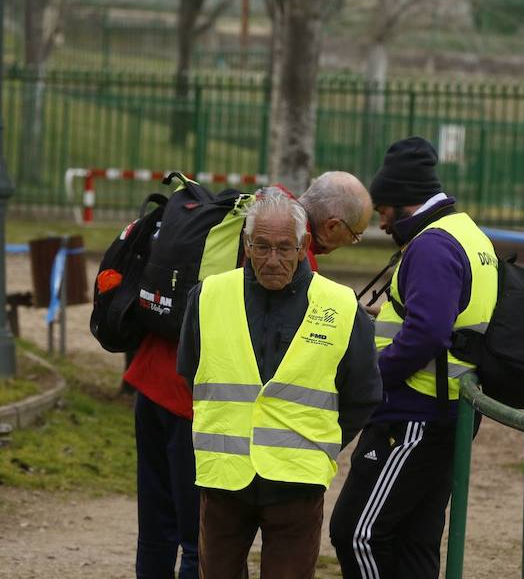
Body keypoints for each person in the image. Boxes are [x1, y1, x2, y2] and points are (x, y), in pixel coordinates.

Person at [123, 175, 374, 578]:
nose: (273, 259)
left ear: (302, 245)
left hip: (258, 457)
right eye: (261, 248)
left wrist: (316, 441)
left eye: (283, 249)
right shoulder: (214, 293)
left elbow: (362, 394)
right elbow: (192, 367)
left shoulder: (335, 302)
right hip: (222, 458)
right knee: (191, 545)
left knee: (162, 530)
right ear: (246, 246)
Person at [330, 136, 498, 578]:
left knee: (357, 533)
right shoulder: (468, 233)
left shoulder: (432, 246)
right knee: (414, 541)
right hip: (446, 411)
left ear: (404, 201)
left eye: (383, 209)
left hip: (414, 415)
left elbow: (426, 333)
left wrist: (370, 378)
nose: (380, 222)